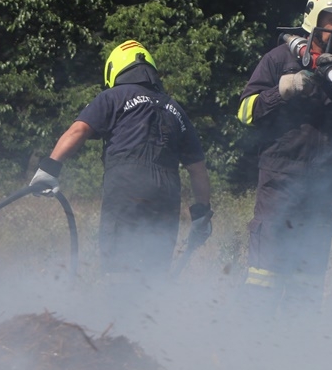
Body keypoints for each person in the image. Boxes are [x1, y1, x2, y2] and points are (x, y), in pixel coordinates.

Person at [236, 0, 332, 305]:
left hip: (324, 183)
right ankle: (252, 341)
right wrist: (283, 90)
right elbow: (246, 112)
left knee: (308, 277)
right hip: (280, 179)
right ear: (315, 17)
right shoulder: (278, 60)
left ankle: (300, 346)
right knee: (266, 273)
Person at [30, 39, 212, 278]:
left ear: (114, 70)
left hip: (128, 184)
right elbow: (197, 169)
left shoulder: (113, 97)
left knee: (118, 266)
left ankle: (120, 311)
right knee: (154, 273)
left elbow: (78, 130)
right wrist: (201, 214)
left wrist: (49, 169)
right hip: (167, 191)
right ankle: (151, 313)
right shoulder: (175, 109)